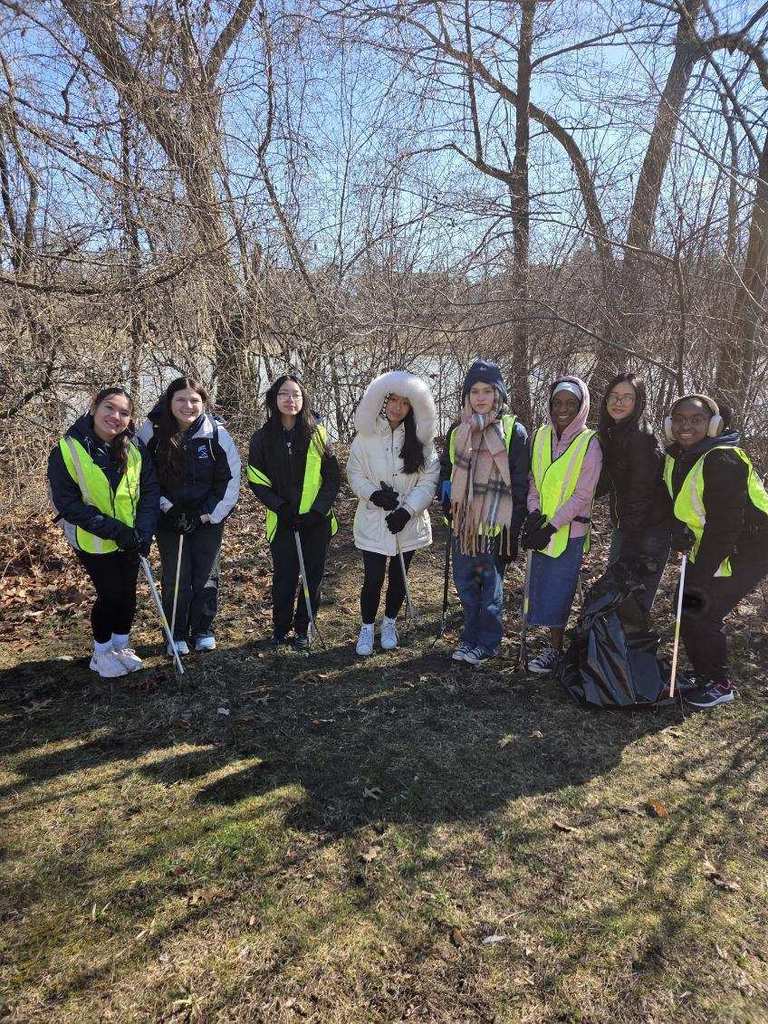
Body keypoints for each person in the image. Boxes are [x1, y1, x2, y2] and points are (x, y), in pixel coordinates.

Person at [663, 393, 768, 709]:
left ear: (714, 425)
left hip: (750, 548)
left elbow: (726, 526)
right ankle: (703, 676)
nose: (685, 426)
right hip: (715, 543)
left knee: (703, 610)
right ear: (669, 425)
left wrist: (700, 572)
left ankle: (720, 684)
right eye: (679, 419)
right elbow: (689, 506)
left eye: (696, 419)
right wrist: (680, 532)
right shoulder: (681, 456)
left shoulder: (724, 460)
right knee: (687, 605)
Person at [47, 387, 160, 678]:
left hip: (132, 538)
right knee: (110, 594)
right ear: (94, 406)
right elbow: (69, 504)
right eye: (109, 408)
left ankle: (121, 644)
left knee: (128, 595)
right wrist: (116, 531)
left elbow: (149, 492)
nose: (116, 416)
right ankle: (102, 651)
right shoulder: (67, 449)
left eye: (124, 412)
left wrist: (143, 533)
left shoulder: (135, 448)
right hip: (95, 540)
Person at [138, 377, 241, 656]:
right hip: (168, 518)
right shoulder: (151, 432)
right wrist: (168, 509)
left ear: (203, 403)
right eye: (181, 400)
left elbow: (230, 480)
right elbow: (141, 477)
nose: (188, 406)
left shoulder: (216, 433)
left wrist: (205, 515)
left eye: (194, 400)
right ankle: (176, 632)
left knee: (206, 575)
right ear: (169, 402)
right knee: (176, 576)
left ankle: (203, 629)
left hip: (207, 518)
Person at [439, 359, 529, 665]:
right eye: (474, 391)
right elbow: (447, 470)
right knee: (466, 585)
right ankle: (469, 637)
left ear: (498, 393)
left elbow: (519, 483)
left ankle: (488, 643)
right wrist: (446, 497)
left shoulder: (513, 431)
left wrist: (513, 529)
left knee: (490, 589)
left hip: (495, 526)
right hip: (464, 525)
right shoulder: (457, 430)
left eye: (487, 390)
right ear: (466, 395)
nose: (480, 397)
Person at [347, 370, 440, 655]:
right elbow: (354, 472)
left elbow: (429, 479)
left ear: (414, 406)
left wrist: (407, 510)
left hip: (406, 523)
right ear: (382, 400)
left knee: (400, 575)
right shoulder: (365, 435)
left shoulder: (422, 441)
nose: (397, 407)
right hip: (374, 520)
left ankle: (390, 622)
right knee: (373, 577)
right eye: (393, 400)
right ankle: (366, 627)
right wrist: (374, 495)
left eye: (405, 402)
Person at [246, 374, 340, 649]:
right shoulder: (262, 438)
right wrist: (281, 507)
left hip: (316, 521)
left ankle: (304, 626)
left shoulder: (318, 434)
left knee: (313, 576)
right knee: (285, 577)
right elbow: (256, 478)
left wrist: (317, 511)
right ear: (274, 399)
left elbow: (332, 477)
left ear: (304, 399)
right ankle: (280, 627)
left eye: (296, 394)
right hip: (282, 520)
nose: (290, 400)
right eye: (284, 394)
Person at [522, 375, 602, 675]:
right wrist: (533, 513)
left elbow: (583, 494)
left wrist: (552, 525)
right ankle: (542, 641)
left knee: (559, 589)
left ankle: (555, 650)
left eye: (570, 403)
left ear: (581, 406)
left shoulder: (589, 443)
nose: (563, 408)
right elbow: (534, 480)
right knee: (539, 586)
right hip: (541, 525)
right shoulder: (541, 435)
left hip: (568, 531)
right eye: (557, 402)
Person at [596, 372, 672, 612]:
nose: (619, 402)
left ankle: (630, 648)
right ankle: (613, 646)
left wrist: (629, 542)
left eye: (627, 397)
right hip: (629, 525)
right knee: (619, 593)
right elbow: (609, 481)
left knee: (634, 601)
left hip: (648, 530)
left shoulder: (641, 438)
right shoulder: (615, 432)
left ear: (638, 402)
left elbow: (641, 493)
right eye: (614, 396)